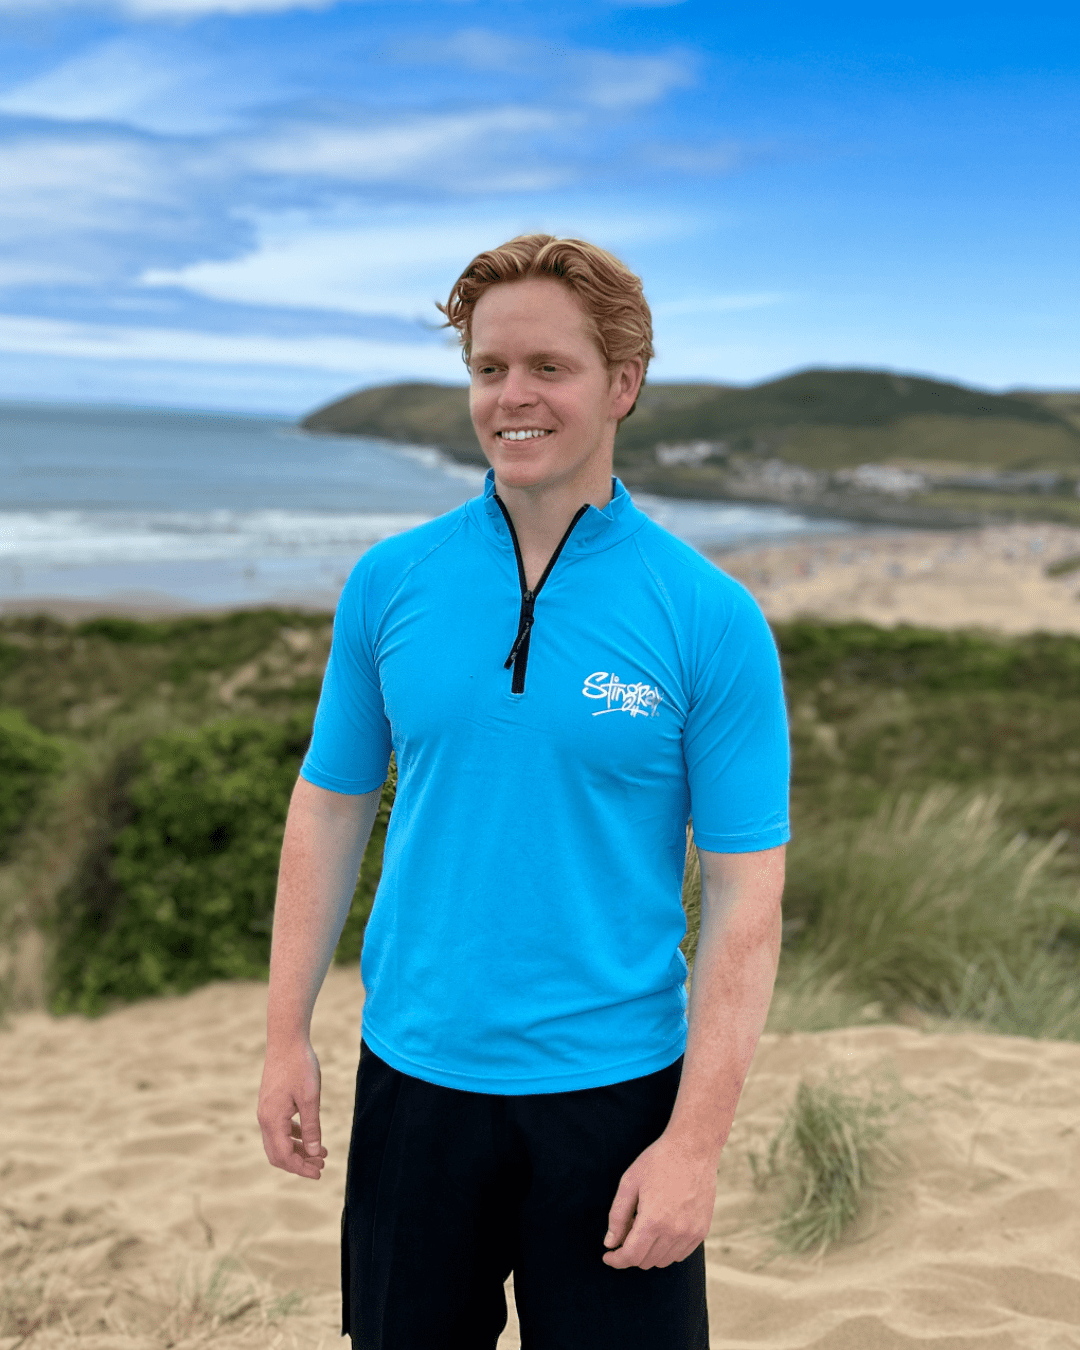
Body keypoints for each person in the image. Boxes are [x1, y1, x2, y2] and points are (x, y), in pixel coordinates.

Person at [257, 234, 789, 1350]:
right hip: (414, 1082)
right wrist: (284, 1035)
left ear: (622, 385)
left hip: (618, 1096)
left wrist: (694, 1147)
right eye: (490, 368)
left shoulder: (709, 616)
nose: (513, 397)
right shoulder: (390, 581)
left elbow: (748, 896)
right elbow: (330, 806)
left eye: (550, 367)